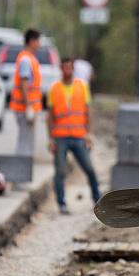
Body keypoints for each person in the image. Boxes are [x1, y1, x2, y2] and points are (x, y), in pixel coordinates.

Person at [47, 57, 101, 215]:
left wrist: (89, 133)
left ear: (73, 69)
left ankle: (97, 200)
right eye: (65, 68)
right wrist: (50, 138)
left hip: (79, 136)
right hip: (60, 137)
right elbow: (50, 116)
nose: (67, 71)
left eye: (70, 68)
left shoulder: (82, 87)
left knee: (89, 169)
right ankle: (62, 204)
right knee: (60, 172)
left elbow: (88, 112)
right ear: (61, 69)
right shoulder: (54, 88)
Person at [10, 29, 43, 157]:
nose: (39, 44)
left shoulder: (29, 58)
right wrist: (28, 106)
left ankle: (23, 165)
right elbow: (24, 83)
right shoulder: (26, 59)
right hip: (24, 108)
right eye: (38, 41)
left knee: (27, 141)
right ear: (31, 41)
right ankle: (21, 166)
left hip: (27, 107)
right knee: (25, 143)